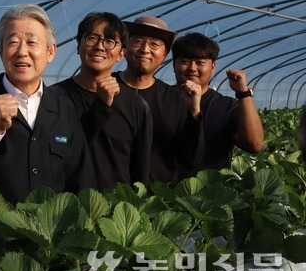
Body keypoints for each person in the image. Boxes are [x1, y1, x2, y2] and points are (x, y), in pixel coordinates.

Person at [0, 3, 94, 204]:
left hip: (54, 230)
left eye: (32, 43)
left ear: (50, 52)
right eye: (13, 42)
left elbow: (81, 179)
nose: (22, 52)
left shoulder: (64, 108)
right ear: (1, 50)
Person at [52, 12, 152, 191]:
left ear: (121, 53)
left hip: (116, 212)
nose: (99, 47)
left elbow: (140, 171)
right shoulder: (54, 98)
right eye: (92, 38)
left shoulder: (136, 105)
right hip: (66, 210)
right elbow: (60, 149)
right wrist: (101, 106)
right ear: (78, 46)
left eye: (110, 41)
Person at [117, 16, 204, 185]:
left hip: (156, 200)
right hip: (110, 196)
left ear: (164, 55)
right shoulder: (106, 88)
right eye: (138, 41)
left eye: (154, 44)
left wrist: (194, 112)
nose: (145, 49)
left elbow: (190, 159)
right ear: (125, 47)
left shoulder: (174, 99)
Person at [171, 32, 264, 175]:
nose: (192, 68)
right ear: (174, 65)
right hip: (161, 192)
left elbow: (254, 144)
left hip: (212, 194)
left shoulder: (227, 107)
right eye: (184, 61)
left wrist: (243, 93)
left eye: (200, 62)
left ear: (213, 67)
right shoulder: (161, 98)